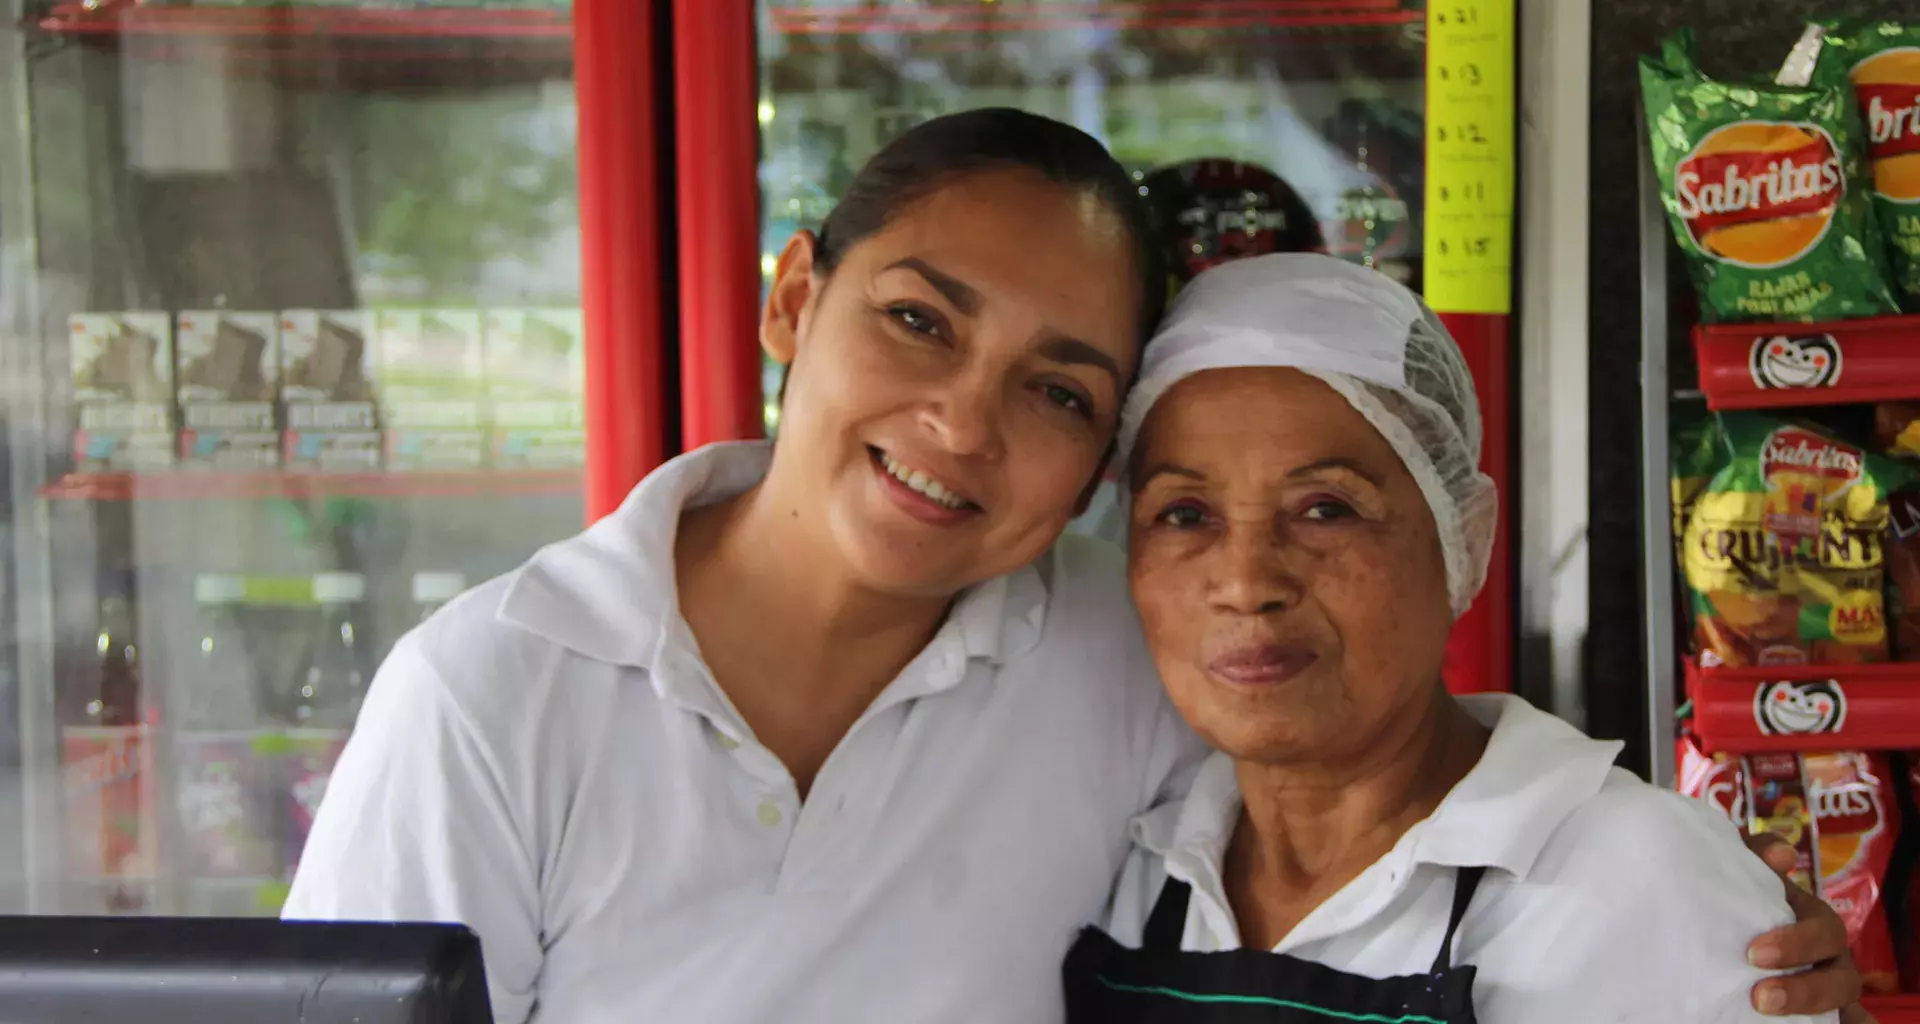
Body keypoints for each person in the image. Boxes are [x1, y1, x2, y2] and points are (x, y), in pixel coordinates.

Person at [283, 109, 1866, 1023]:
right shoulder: (493, 699)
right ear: (791, 303)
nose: (961, 425)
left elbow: (1399, 765)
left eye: (1055, 392)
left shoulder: (1114, 660)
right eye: (917, 318)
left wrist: (1738, 941)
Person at [1068, 251, 1853, 1023]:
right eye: (1183, 515)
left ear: (1460, 540)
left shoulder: (1645, 884)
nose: (1245, 583)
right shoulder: (1129, 862)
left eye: (1325, 509)